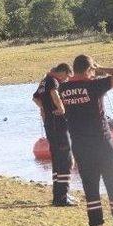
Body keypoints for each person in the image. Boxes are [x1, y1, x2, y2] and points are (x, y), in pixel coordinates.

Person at [58, 54, 113, 226]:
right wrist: (101, 69)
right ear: (90, 70)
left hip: (81, 146)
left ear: (74, 69)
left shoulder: (63, 88)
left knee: (90, 187)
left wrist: (91, 72)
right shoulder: (94, 85)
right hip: (103, 144)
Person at [32, 63, 75, 206]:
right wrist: (61, 108)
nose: (66, 80)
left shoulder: (45, 80)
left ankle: (60, 195)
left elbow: (35, 98)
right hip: (58, 124)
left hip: (50, 124)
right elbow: (54, 93)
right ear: (62, 72)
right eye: (66, 76)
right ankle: (62, 197)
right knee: (66, 158)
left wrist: (44, 108)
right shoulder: (52, 81)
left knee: (57, 158)